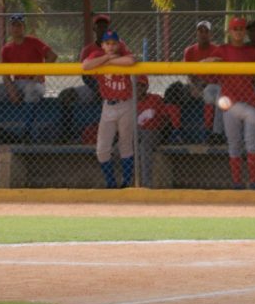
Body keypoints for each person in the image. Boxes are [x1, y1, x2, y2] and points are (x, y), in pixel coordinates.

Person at [207, 17, 255, 190]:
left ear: (245, 32)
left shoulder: (252, 51)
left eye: (241, 29)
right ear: (229, 32)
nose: (238, 32)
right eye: (235, 29)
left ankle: (253, 182)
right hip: (230, 103)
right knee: (234, 143)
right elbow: (201, 65)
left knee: (252, 141)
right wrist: (213, 62)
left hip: (249, 102)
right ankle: (236, 182)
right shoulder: (221, 50)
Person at [82, 30, 138, 188]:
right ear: (102, 45)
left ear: (118, 44)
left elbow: (131, 61)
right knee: (102, 149)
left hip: (125, 103)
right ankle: (111, 183)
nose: (111, 46)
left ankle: (126, 183)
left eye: (114, 43)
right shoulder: (98, 54)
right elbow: (86, 65)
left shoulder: (124, 52)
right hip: (108, 105)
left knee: (125, 145)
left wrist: (110, 62)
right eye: (107, 43)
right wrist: (107, 58)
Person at [0, 13, 58, 105]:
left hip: (36, 83)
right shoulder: (6, 49)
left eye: (19, 25)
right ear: (10, 28)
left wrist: (38, 76)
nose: (16, 28)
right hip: (17, 83)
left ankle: (28, 118)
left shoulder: (33, 41)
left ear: (24, 27)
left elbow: (52, 56)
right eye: (13, 25)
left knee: (30, 91)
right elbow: (5, 74)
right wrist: (10, 89)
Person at [59, 14, 110, 142]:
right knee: (66, 95)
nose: (102, 29)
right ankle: (67, 134)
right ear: (94, 29)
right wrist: (96, 88)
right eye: (99, 26)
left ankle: (112, 135)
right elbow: (85, 75)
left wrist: (104, 89)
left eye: (105, 27)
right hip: (93, 87)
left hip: (110, 87)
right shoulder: (88, 49)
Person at [182, 20, 223, 140]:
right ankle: (176, 130)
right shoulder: (189, 51)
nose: (203, 34)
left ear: (211, 34)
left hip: (212, 85)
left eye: (206, 31)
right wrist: (195, 87)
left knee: (210, 91)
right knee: (173, 91)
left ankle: (210, 130)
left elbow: (221, 76)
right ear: (196, 33)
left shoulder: (218, 49)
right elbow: (188, 74)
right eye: (200, 31)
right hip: (195, 84)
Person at [135, 75, 179, 188]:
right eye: (136, 85)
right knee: (119, 148)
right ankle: (125, 182)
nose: (139, 88)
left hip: (153, 132)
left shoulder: (155, 99)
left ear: (146, 87)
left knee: (144, 147)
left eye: (141, 86)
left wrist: (171, 129)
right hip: (135, 133)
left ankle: (146, 184)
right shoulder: (128, 102)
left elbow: (169, 114)